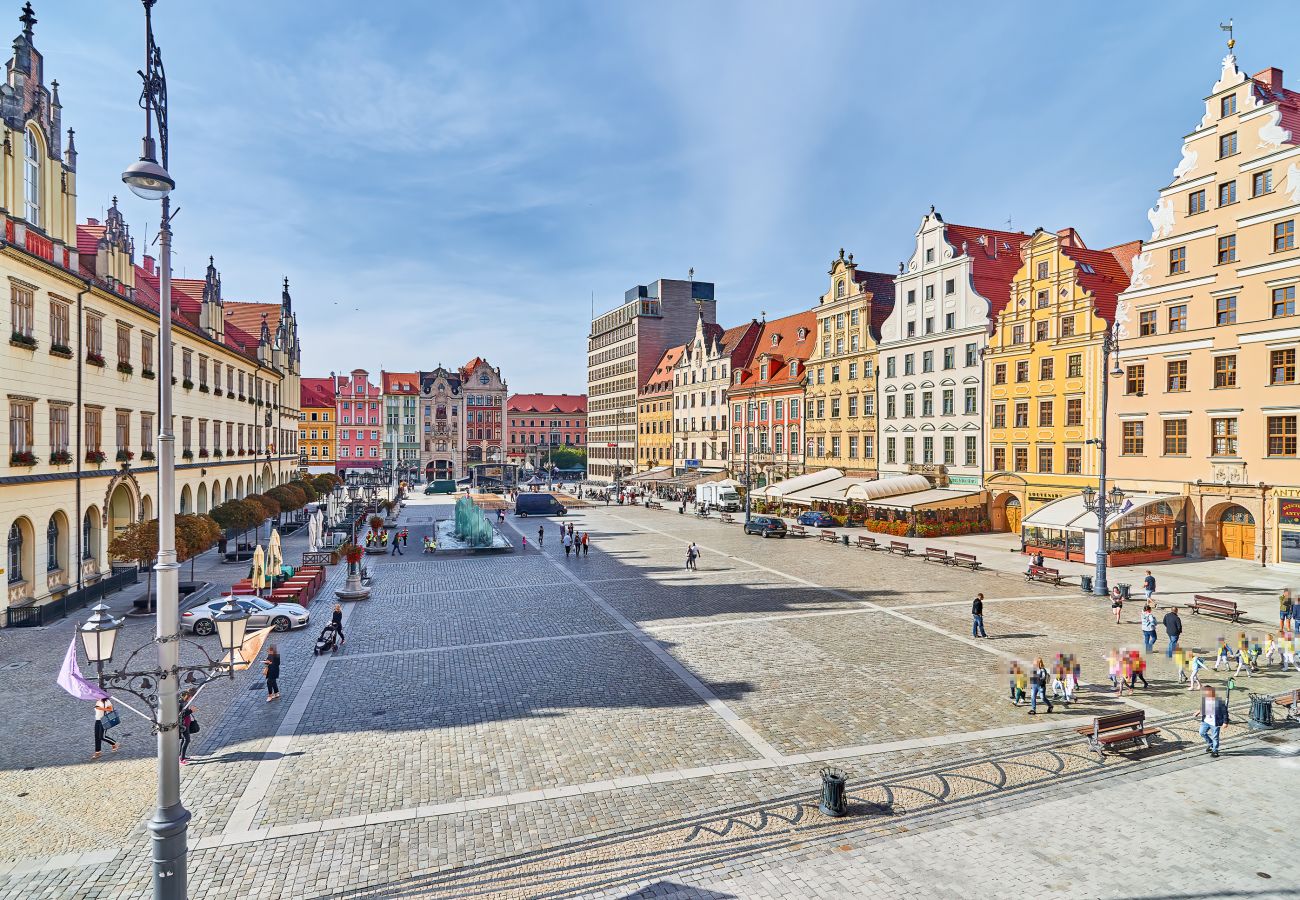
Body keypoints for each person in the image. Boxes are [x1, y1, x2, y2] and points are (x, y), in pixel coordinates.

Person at [1196, 685, 1228, 758]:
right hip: (1206, 721)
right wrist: (1198, 712)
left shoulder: (1219, 702)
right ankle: (1211, 744)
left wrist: (1225, 722)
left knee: (1215, 737)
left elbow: (1225, 712)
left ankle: (1215, 750)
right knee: (1202, 732)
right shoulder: (1205, 700)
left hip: (1215, 722)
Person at [179, 690, 198, 765]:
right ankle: (182, 759)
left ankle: (180, 755)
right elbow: (181, 714)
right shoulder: (181, 703)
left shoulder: (185, 702)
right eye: (191, 697)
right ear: (188, 696)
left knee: (184, 739)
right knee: (187, 740)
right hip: (183, 725)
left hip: (186, 723)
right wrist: (191, 711)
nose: (192, 698)